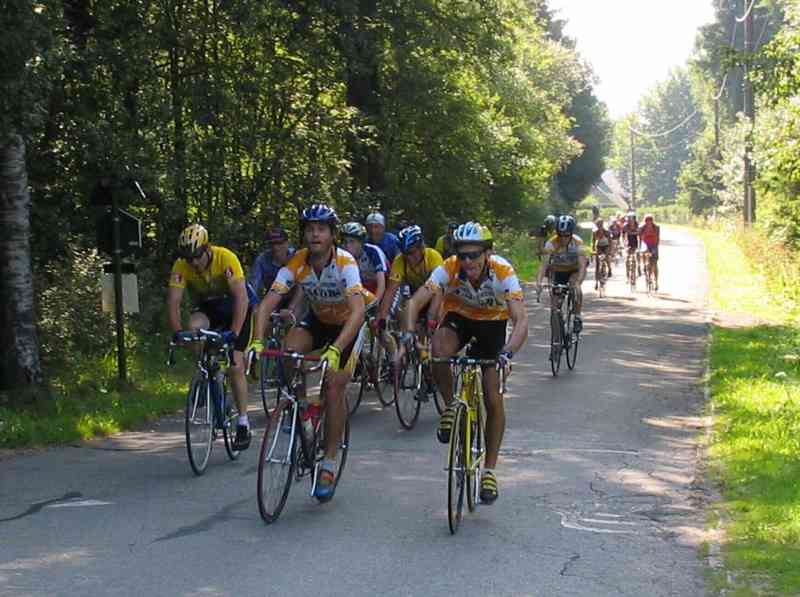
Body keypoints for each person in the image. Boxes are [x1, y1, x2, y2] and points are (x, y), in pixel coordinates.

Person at [248, 204, 371, 501]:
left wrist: (336, 349)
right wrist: (256, 342)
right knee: (289, 352)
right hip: (318, 319)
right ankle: (301, 408)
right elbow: (267, 304)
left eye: (321, 229)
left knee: (334, 386)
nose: (315, 234)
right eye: (309, 228)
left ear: (332, 235)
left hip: (347, 326)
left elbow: (357, 312)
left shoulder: (345, 263)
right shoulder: (296, 262)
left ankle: (328, 463)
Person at [403, 222, 528, 504]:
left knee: (492, 396)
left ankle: (490, 471)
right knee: (438, 350)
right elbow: (414, 303)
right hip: (459, 319)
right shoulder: (448, 267)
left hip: (493, 327)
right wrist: (409, 334)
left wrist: (507, 353)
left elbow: (521, 320)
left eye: (474, 254)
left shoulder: (503, 271)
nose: (468, 261)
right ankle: (450, 407)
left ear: (488, 252)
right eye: (463, 255)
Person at [167, 224, 257, 451]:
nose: (193, 263)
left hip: (238, 310)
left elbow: (241, 299)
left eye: (197, 256)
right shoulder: (181, 265)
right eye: (188, 258)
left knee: (236, 365)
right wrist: (178, 334)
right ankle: (209, 372)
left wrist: (234, 333)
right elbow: (174, 301)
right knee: (193, 330)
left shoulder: (226, 258)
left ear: (207, 249)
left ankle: (243, 423)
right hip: (210, 309)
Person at [376, 225, 443, 382]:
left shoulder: (433, 257)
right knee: (410, 319)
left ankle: (436, 357)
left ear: (421, 247)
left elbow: (439, 291)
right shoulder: (400, 261)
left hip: (436, 295)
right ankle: (422, 358)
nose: (409, 258)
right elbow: (391, 291)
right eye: (405, 254)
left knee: (433, 321)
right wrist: (382, 317)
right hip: (416, 296)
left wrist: (432, 318)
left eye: (412, 253)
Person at [536, 215, 590, 333]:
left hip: (574, 270)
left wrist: (578, 282)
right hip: (558, 272)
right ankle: (557, 338)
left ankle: (577, 317)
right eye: (560, 235)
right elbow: (543, 265)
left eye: (566, 235)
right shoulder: (551, 243)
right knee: (555, 306)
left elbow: (582, 266)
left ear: (571, 234)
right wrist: (539, 283)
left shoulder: (578, 242)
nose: (563, 238)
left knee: (574, 285)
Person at [341, 221, 389, 302]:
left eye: (352, 241)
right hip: (365, 289)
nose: (347, 246)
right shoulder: (342, 255)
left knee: (383, 313)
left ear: (361, 242)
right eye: (345, 242)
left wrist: (375, 304)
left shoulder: (373, 251)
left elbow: (382, 284)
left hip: (387, 286)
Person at [638, 213, 661, 290]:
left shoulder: (656, 228)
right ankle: (644, 266)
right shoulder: (642, 228)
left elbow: (658, 239)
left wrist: (655, 249)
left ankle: (656, 281)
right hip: (645, 244)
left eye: (650, 220)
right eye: (647, 220)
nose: (648, 222)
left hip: (654, 245)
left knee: (654, 263)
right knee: (643, 254)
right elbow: (640, 238)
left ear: (652, 221)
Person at [591, 217, 613, 285]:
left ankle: (609, 269)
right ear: (596, 225)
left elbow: (610, 241)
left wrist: (610, 250)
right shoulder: (595, 232)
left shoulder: (606, 232)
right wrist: (593, 250)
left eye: (600, 224)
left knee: (606, 258)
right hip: (599, 246)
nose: (599, 225)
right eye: (598, 224)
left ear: (602, 224)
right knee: (597, 263)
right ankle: (596, 281)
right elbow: (593, 241)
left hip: (606, 245)